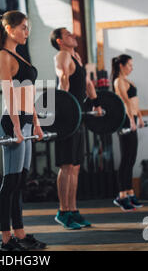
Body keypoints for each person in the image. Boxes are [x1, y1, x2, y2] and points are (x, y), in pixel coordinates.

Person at [0, 10, 47, 251]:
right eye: (23, 27)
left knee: (20, 181)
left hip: (24, 122)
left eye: (27, 27)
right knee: (10, 182)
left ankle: (20, 234)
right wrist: (15, 125)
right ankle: (6, 240)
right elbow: (10, 95)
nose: (27, 32)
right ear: (9, 30)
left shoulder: (18, 56)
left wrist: (35, 122)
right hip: (12, 123)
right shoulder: (4, 57)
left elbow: (28, 94)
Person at [50, 28, 102, 230]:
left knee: (76, 166)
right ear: (59, 40)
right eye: (68, 34)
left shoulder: (77, 58)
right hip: (66, 117)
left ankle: (73, 209)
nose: (73, 35)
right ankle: (63, 212)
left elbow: (88, 84)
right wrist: (63, 103)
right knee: (66, 165)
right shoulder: (62, 55)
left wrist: (96, 103)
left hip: (78, 115)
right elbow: (63, 76)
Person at [111, 54, 145, 211]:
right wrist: (131, 119)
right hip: (125, 120)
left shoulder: (127, 81)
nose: (131, 67)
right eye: (129, 65)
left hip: (132, 119)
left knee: (131, 157)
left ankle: (130, 193)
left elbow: (134, 102)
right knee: (126, 158)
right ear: (121, 66)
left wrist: (140, 117)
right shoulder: (118, 81)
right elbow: (125, 102)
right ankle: (122, 195)